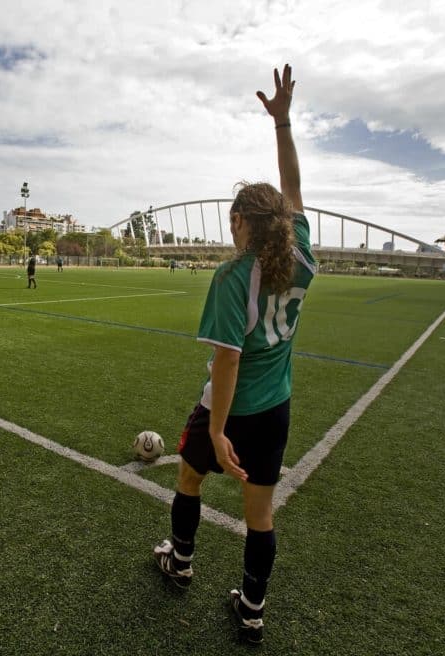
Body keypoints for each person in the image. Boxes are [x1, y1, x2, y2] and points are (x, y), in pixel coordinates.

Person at [153, 64, 316, 647]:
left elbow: (226, 362)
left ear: (243, 222)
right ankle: (251, 608)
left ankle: (182, 561)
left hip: (234, 409)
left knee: (191, 477)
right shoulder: (302, 258)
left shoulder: (233, 277)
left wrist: (218, 429)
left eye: (233, 219)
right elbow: (295, 189)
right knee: (260, 514)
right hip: (275, 408)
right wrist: (284, 125)